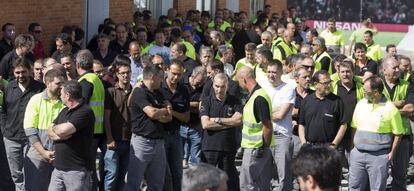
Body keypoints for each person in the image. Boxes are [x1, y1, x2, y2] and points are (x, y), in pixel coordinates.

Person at [349, 76, 403, 191]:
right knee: (354, 187)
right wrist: (353, 148)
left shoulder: (391, 109)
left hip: (379, 157)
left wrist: (392, 153)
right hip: (357, 155)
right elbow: (354, 127)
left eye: (365, 90)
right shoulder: (361, 104)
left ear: (376, 92)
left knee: (377, 188)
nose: (362, 91)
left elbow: (398, 133)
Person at [125, 64, 172, 190]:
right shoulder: (139, 92)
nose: (162, 80)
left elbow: (169, 117)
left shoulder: (158, 93)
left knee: (157, 184)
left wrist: (161, 112)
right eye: (160, 77)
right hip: (142, 143)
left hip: (158, 142)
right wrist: (163, 110)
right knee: (133, 183)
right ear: (152, 77)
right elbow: (152, 113)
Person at [1, 58, 45, 191]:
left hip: (31, 140)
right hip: (11, 138)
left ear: (30, 70)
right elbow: (3, 109)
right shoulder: (9, 87)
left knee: (32, 172)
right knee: (16, 174)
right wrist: (4, 129)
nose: (20, 75)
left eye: (23, 72)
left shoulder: (39, 89)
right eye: (17, 72)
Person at [47, 80, 95, 191]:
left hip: (76, 171)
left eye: (62, 93)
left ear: (68, 96)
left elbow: (63, 130)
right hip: (58, 169)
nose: (60, 96)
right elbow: (49, 131)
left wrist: (58, 130)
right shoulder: (64, 111)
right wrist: (57, 133)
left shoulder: (85, 111)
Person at [23, 69, 66, 191]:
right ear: (48, 83)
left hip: (60, 157)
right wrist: (43, 152)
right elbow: (30, 130)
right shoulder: (36, 100)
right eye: (58, 83)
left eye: (63, 83)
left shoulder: (66, 101)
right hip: (37, 156)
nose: (62, 86)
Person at [200, 73, 242, 190]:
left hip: (228, 147)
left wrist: (218, 120)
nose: (219, 90)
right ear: (213, 85)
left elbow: (238, 120)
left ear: (227, 86)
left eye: (222, 87)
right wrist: (229, 123)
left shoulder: (235, 101)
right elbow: (205, 124)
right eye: (217, 86)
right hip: (209, 147)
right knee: (206, 181)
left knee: (228, 181)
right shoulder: (206, 101)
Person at [236, 66, 274, 190]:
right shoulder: (255, 95)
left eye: (239, 81)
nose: (239, 84)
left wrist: (264, 147)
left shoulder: (258, 98)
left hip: (256, 149)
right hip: (255, 148)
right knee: (259, 185)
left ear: (244, 79)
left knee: (247, 185)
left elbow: (267, 126)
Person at [381, 57, 414, 190]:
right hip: (382, 135)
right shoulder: (377, 84)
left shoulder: (407, 85)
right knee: (380, 174)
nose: (397, 69)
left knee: (400, 175)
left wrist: (385, 108)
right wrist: (397, 105)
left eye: (397, 67)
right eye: (394, 67)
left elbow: (411, 108)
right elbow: (373, 105)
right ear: (384, 70)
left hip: (402, 135)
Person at [159, 59, 191, 191]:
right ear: (167, 70)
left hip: (176, 135)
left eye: (179, 74)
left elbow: (186, 117)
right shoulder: (158, 87)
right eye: (173, 73)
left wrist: (172, 113)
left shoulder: (184, 90)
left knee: (177, 173)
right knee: (163, 174)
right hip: (160, 136)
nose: (176, 77)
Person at [76, 49, 105, 189]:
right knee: (91, 167)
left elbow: (81, 106)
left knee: (88, 168)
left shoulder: (86, 81)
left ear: (77, 65)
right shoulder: (96, 79)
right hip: (97, 129)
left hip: (89, 132)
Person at [265, 61, 296, 191]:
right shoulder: (263, 88)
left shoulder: (288, 89)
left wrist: (265, 113)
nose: (271, 75)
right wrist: (274, 110)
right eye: (269, 72)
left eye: (274, 72)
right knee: (265, 175)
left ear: (281, 73)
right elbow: (255, 112)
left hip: (281, 136)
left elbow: (280, 115)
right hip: (265, 136)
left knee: (284, 176)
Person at [103, 56, 132, 191]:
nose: (125, 75)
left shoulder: (136, 91)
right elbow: (106, 117)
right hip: (114, 141)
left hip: (130, 141)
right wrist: (109, 138)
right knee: (111, 175)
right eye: (122, 73)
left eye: (128, 72)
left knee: (122, 175)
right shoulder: (110, 92)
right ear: (117, 74)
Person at [298, 70, 347, 147]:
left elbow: (343, 125)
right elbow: (301, 124)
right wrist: (303, 143)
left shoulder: (337, 101)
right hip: (309, 147)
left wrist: (334, 144)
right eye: (325, 83)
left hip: (329, 147)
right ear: (316, 84)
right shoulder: (306, 101)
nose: (328, 85)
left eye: (329, 82)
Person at [180, 66, 207, 167]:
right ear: (192, 76)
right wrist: (193, 105)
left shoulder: (204, 87)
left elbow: (202, 106)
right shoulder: (182, 82)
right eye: (199, 81)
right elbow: (178, 103)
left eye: (202, 82)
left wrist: (186, 105)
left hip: (196, 125)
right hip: (181, 124)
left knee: (196, 157)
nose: (199, 85)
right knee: (179, 156)